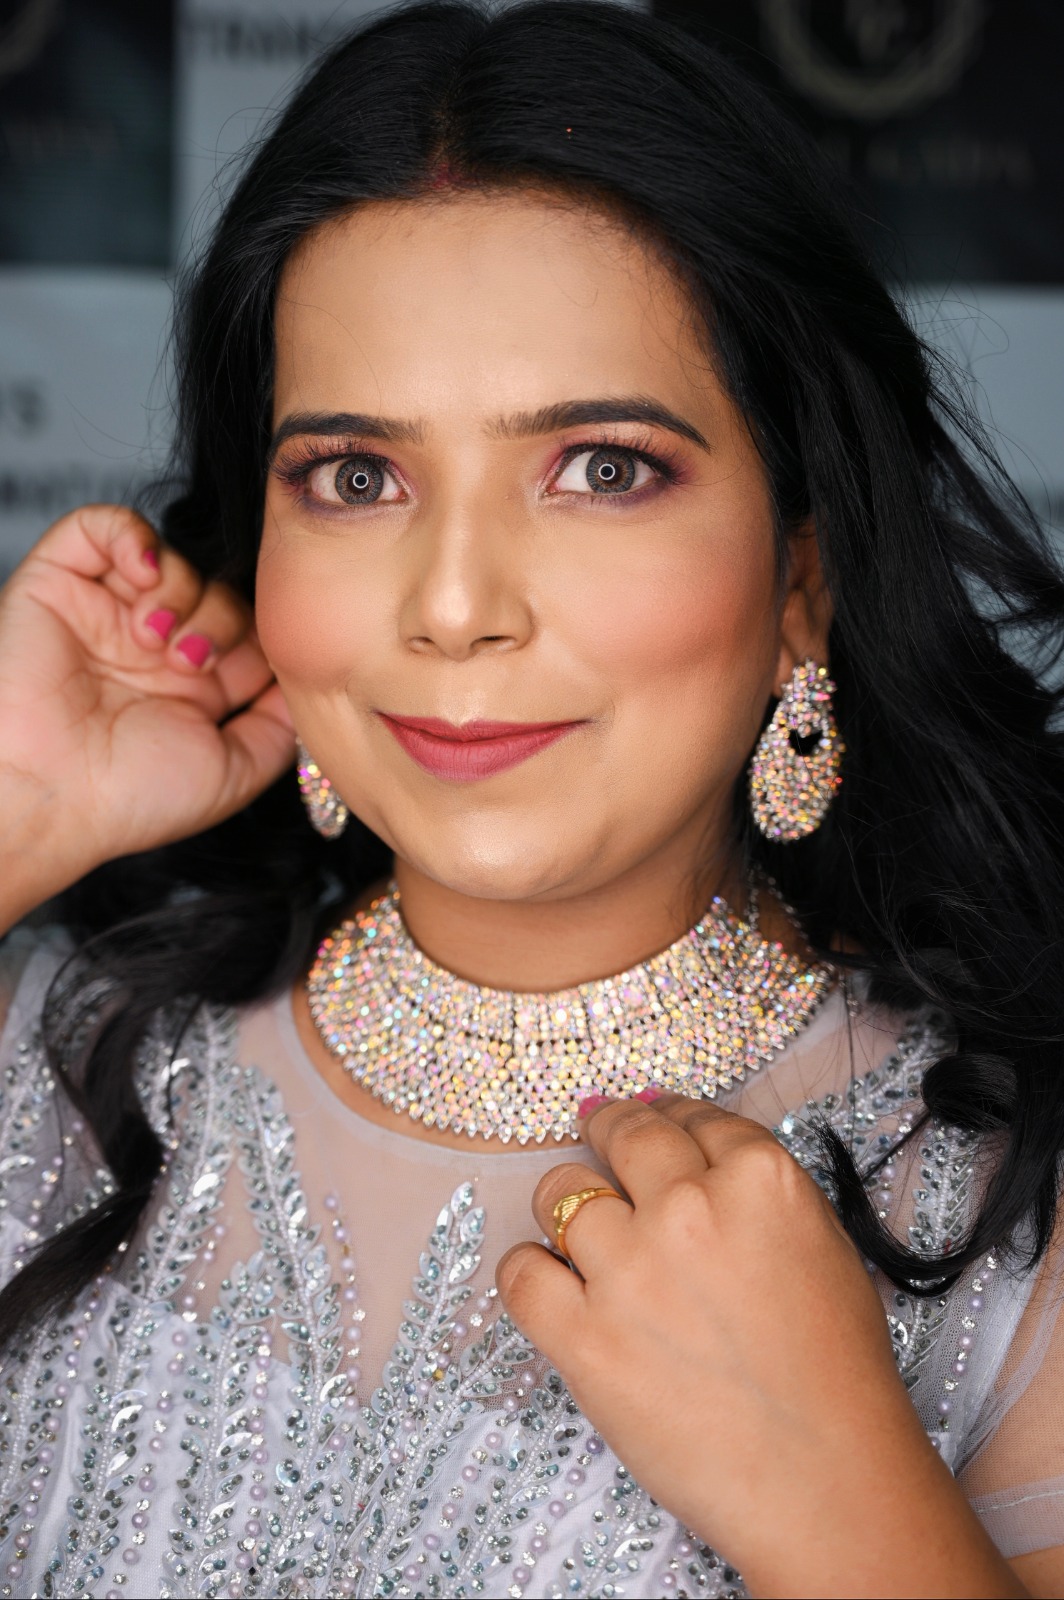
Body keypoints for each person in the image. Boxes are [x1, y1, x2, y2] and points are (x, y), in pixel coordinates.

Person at [0, 2, 1062, 1594]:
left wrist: (840, 1494)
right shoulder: (58, 1070)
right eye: (356, 478)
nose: (453, 606)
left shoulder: (1014, 1211)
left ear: (802, 579)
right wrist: (18, 809)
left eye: (601, 468)